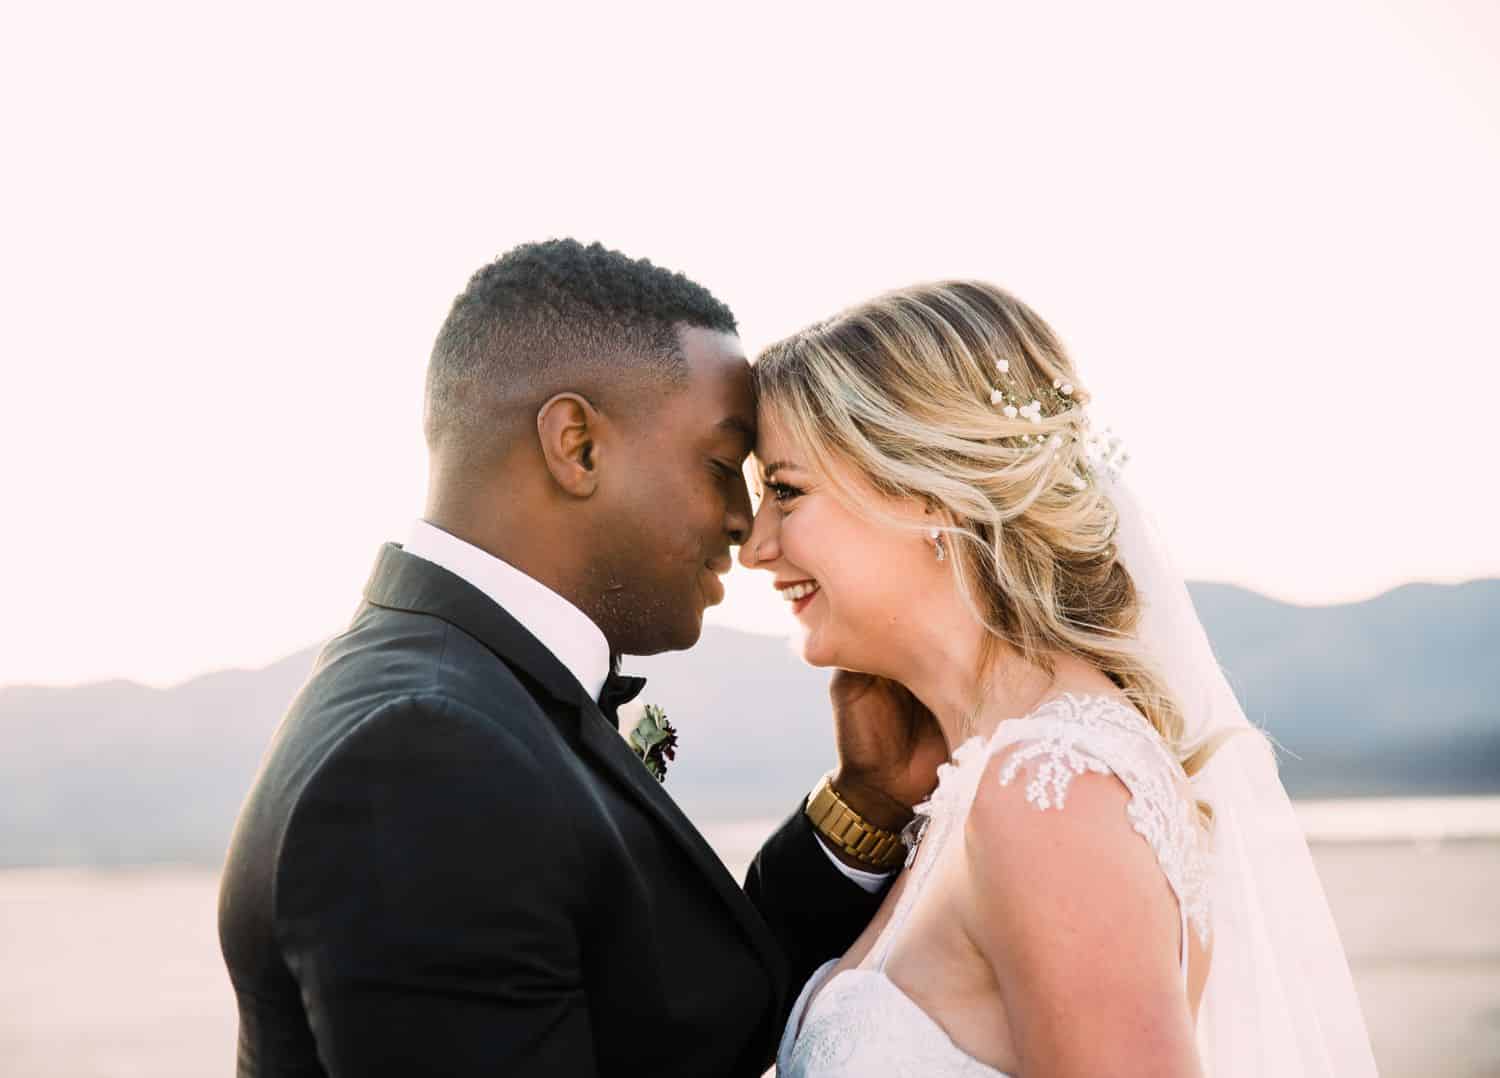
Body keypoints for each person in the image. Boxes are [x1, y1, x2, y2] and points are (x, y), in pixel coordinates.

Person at [216, 239, 936, 1077]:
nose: (746, 521)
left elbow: (674, 1021)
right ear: (577, 445)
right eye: (720, 465)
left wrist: (867, 804)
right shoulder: (423, 757)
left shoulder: (464, 699)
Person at [741, 281, 1378, 1076]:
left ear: (933, 492)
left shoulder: (1050, 789)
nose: (755, 546)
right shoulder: (969, 783)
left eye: (787, 492)